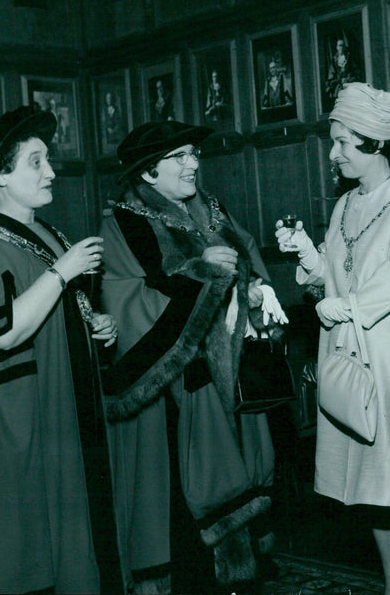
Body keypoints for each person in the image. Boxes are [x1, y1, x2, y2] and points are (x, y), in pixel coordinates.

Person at [99, 120, 288, 593]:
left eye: (193, 154)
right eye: (179, 157)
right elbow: (127, 298)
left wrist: (254, 285)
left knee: (240, 476)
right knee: (183, 509)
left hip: (232, 369)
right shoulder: (124, 221)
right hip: (178, 389)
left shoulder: (211, 208)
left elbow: (245, 255)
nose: (193, 164)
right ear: (147, 174)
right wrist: (203, 276)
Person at [0, 104, 120, 593]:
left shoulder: (45, 232)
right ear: (1, 174)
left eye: (48, 160)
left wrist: (94, 325)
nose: (51, 172)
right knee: (30, 550)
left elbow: (54, 309)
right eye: (35, 162)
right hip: (18, 418)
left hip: (58, 410)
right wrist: (63, 272)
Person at [275, 82, 390, 595]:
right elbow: (339, 274)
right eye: (334, 140)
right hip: (349, 357)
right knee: (371, 485)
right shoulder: (346, 204)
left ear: (374, 142)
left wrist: (344, 306)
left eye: (344, 142)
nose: (334, 152)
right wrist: (309, 258)